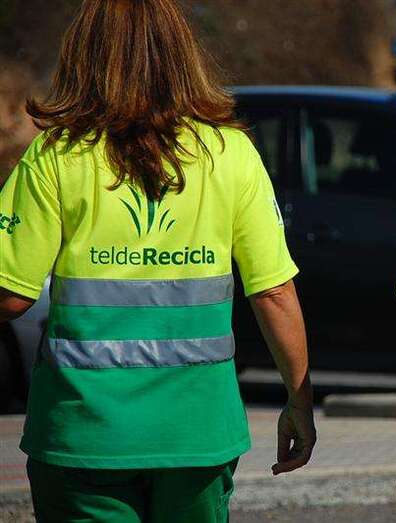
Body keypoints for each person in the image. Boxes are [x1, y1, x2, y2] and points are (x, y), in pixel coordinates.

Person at [0, 0, 316, 520]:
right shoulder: (230, 152)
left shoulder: (56, 153)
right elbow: (274, 293)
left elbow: (11, 295)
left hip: (84, 434)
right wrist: (299, 404)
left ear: (85, 54)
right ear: (182, 54)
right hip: (197, 433)